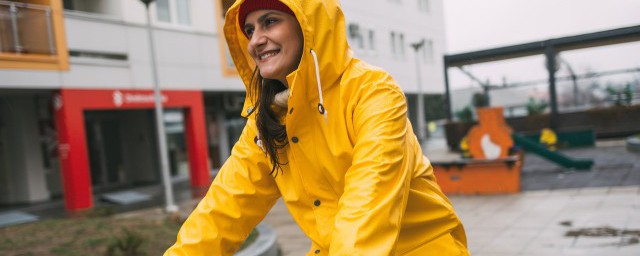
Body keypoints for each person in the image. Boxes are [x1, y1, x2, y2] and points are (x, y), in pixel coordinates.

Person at [165, 0, 468, 255]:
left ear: (306, 25)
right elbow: (221, 211)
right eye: (249, 29)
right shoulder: (267, 122)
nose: (255, 40)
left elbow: (369, 202)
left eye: (270, 22)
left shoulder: (373, 92)